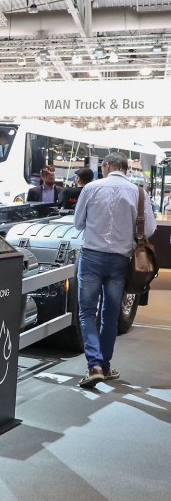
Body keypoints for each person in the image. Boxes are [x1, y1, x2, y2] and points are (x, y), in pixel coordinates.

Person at [73, 153, 156, 388]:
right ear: (125, 168)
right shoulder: (138, 193)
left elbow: (78, 223)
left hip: (91, 256)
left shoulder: (90, 188)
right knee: (110, 313)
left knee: (87, 312)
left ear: (108, 166)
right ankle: (105, 366)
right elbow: (149, 229)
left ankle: (94, 366)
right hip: (121, 259)